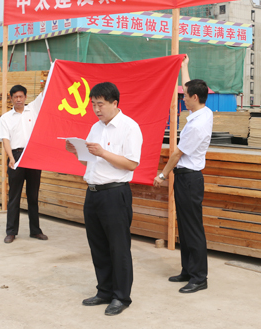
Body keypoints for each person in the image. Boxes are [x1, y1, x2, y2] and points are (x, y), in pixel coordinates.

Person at [65, 82, 143, 317]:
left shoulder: (130, 127)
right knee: (98, 245)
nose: (96, 109)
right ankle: (104, 290)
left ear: (114, 103)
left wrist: (103, 152)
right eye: (93, 105)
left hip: (115, 194)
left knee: (118, 247)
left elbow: (131, 163)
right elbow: (89, 160)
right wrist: (76, 151)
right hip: (93, 192)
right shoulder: (95, 127)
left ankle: (121, 296)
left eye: (101, 104)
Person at [154, 56, 212, 294]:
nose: (183, 98)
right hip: (187, 178)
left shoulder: (196, 125)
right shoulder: (203, 112)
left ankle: (199, 277)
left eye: (185, 96)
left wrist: (162, 175)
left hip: (189, 179)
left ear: (194, 97)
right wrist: (184, 67)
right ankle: (188, 270)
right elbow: (189, 87)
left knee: (193, 229)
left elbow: (177, 154)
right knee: (185, 227)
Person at [0, 84, 48, 244]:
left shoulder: (33, 109)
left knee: (33, 195)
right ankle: (11, 232)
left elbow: (46, 91)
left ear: (25, 97)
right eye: (15, 97)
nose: (18, 99)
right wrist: (11, 157)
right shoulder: (6, 118)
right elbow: (5, 140)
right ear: (11, 98)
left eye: (21, 96)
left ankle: (35, 230)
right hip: (16, 156)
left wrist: (54, 73)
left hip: (33, 156)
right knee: (14, 195)